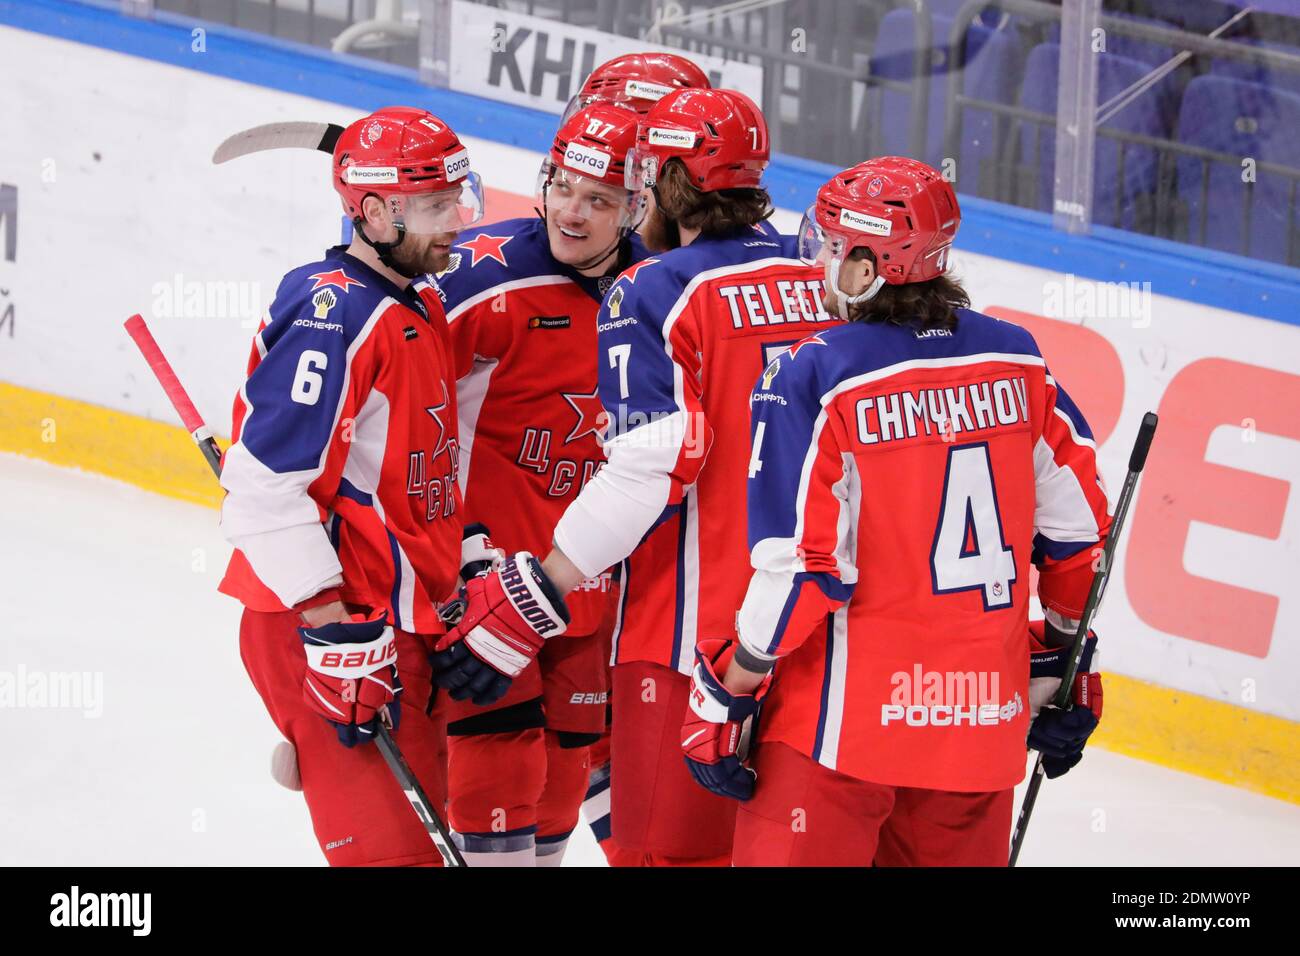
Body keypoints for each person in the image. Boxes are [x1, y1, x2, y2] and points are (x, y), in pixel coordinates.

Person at [678, 157, 1111, 866]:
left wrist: (730, 689)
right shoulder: (1020, 359)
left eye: (830, 245)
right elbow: (1079, 534)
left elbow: (804, 569)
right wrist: (1064, 658)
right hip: (978, 731)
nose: (815, 259)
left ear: (867, 264)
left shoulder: (812, 371)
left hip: (839, 736)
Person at [468, 85, 840, 866]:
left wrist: (544, 583)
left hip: (689, 635)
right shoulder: (821, 279)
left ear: (666, 180)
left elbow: (650, 463)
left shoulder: (657, 290)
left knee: (658, 856)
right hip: (808, 631)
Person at [217, 106, 486, 866]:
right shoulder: (331, 314)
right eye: (436, 207)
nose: (456, 222)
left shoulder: (417, 299)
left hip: (400, 631)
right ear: (372, 211)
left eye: (455, 200)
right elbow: (265, 489)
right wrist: (332, 630)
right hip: (336, 630)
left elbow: (414, 465)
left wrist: (464, 560)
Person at [431, 102, 649, 866]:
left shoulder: (658, 293)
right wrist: (455, 545)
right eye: (563, 187)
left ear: (638, 207)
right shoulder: (480, 278)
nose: (573, 212)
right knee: (498, 752)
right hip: (489, 577)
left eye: (601, 200)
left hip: (593, 579)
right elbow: (400, 413)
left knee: (568, 762)